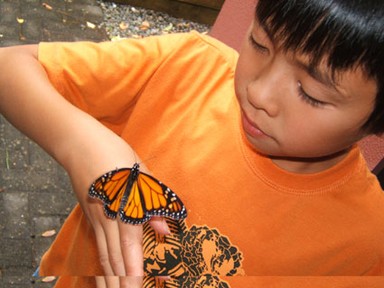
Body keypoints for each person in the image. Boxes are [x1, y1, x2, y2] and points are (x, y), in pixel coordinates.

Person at [0, 0, 383, 287]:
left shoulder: (369, 243)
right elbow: (10, 68)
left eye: (311, 92)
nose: (258, 91)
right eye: (259, 43)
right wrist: (82, 144)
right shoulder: (188, 66)